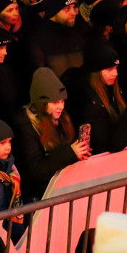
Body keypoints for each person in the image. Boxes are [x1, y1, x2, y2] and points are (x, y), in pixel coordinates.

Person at [13, 67, 90, 200]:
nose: (60, 106)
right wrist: (70, 153)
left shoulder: (61, 118)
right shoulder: (27, 126)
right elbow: (35, 170)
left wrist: (79, 153)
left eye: (62, 101)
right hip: (42, 196)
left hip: (64, 189)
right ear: (42, 103)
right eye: (55, 102)